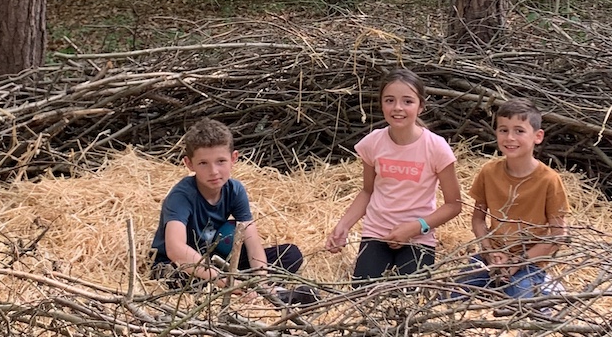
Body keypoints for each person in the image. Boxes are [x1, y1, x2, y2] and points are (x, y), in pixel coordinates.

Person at [325, 68, 462, 282]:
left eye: (407, 101)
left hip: (418, 237)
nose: (398, 108)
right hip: (377, 232)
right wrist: (343, 225)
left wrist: (416, 227)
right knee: (363, 293)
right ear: (381, 104)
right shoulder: (373, 142)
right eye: (390, 100)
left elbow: (454, 205)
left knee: (408, 297)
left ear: (421, 106)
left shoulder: (436, 147)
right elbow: (367, 191)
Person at [150, 117, 303, 285]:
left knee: (291, 255)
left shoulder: (235, 190)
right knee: (183, 280)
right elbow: (175, 249)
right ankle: (238, 287)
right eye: (203, 163)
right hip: (180, 266)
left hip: (214, 260)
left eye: (221, 161)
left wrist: (261, 282)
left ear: (233, 158)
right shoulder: (181, 196)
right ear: (189, 164)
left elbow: (251, 240)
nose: (213, 171)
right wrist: (223, 280)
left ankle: (251, 289)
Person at [458, 98, 569, 300]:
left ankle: (546, 289)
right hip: (492, 256)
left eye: (519, 131)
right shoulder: (489, 172)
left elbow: (557, 234)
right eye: (503, 130)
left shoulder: (549, 180)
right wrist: (489, 253)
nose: (510, 137)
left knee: (519, 301)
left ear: (538, 136)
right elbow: (478, 219)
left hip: (528, 261)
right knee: (452, 295)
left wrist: (517, 263)